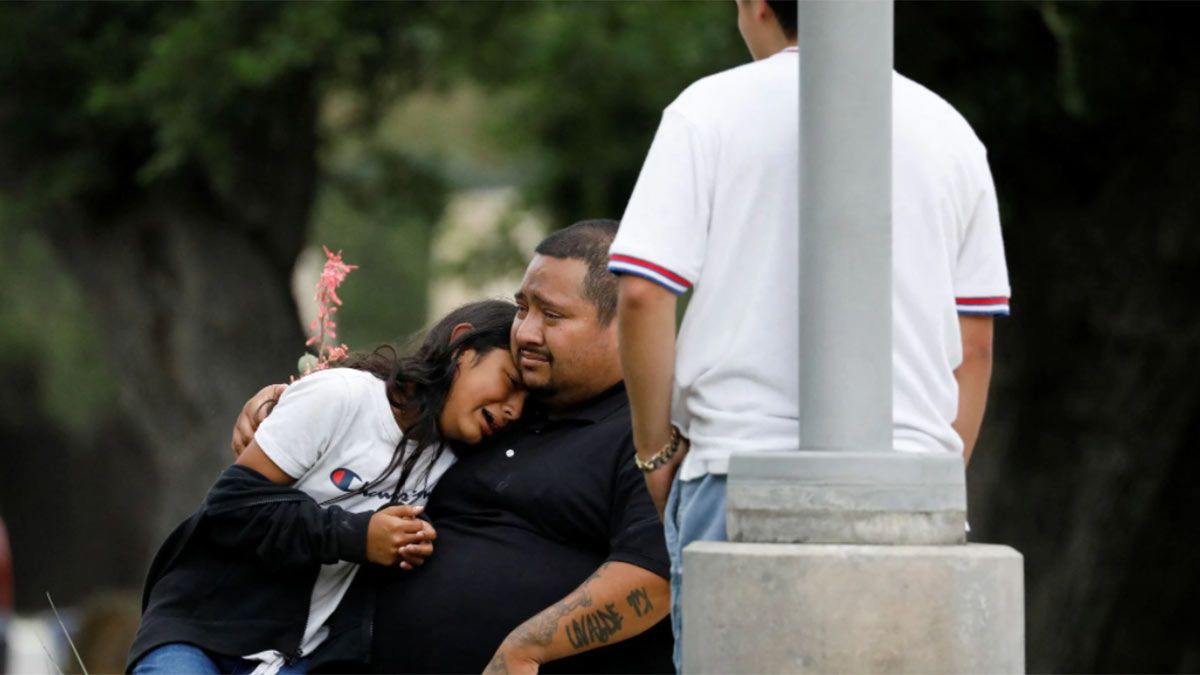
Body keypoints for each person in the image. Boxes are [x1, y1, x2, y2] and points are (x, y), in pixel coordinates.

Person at [609, 0, 1011, 666]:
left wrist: (654, 452)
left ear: (754, 6)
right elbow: (975, 347)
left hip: (737, 470)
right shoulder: (949, 130)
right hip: (912, 484)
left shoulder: (708, 109)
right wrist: (939, 475)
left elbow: (644, 292)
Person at [233, 220, 674, 674]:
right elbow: (388, 404)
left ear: (624, 325)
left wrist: (527, 647)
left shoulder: (651, 433)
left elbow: (654, 578)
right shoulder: (504, 408)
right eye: (523, 308)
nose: (524, 332)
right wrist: (283, 401)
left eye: (552, 315)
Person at [127, 300, 527, 674]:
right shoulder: (342, 395)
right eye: (510, 380)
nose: (515, 409)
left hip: (299, 658)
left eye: (529, 402)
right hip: (201, 632)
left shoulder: (453, 463)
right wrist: (358, 536)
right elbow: (232, 505)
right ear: (461, 346)